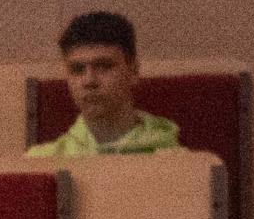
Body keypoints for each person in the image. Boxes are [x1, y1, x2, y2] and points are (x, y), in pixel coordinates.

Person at [27, 10, 180, 159]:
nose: (89, 81)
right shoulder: (40, 163)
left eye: (104, 66)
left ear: (133, 72)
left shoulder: (179, 163)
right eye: (77, 69)